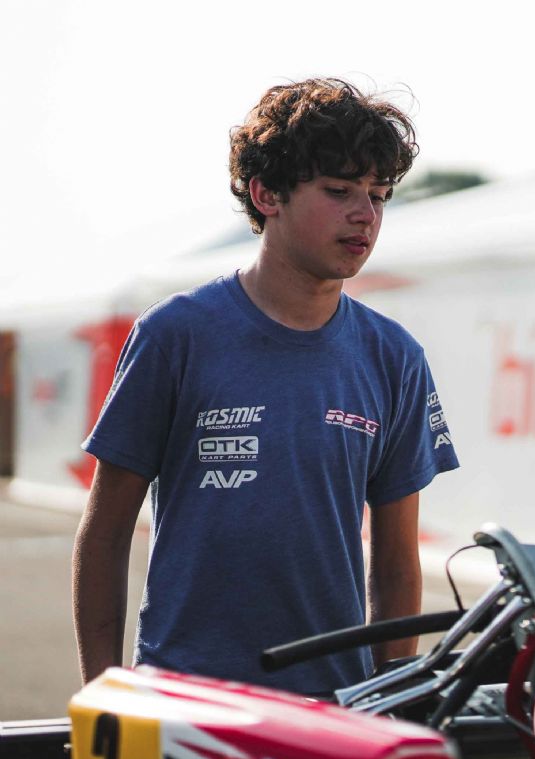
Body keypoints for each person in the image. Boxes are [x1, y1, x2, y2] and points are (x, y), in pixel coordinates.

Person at [72, 78, 459, 696]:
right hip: (186, 701)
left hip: (333, 707)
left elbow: (395, 563)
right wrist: (100, 693)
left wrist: (388, 698)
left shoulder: (394, 357)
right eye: (339, 190)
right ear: (266, 193)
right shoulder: (176, 334)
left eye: (379, 195)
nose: (365, 214)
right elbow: (105, 532)